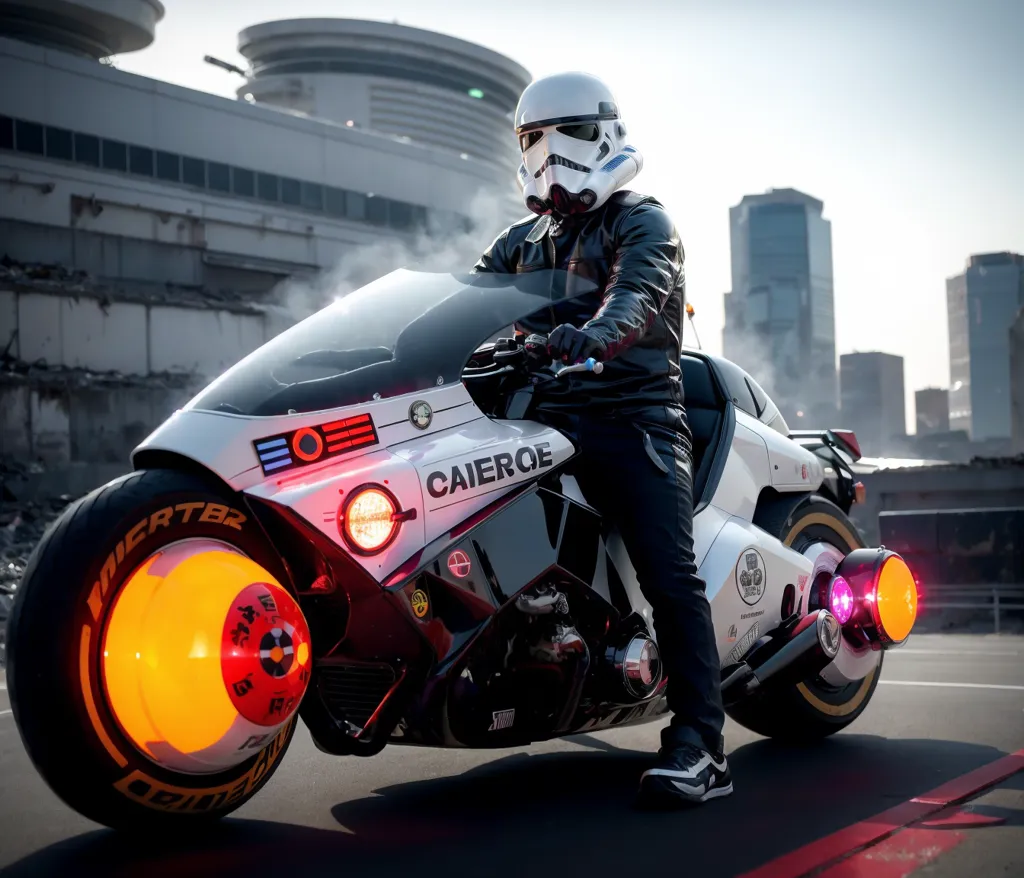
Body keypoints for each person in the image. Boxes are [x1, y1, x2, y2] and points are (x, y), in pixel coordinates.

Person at [472, 71, 731, 808]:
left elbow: (637, 297)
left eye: (571, 135)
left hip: (633, 417)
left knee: (670, 576)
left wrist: (584, 337)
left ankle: (702, 747)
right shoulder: (519, 242)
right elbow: (457, 305)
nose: (552, 154)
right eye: (535, 139)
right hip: (536, 419)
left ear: (607, 135)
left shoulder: (644, 221)